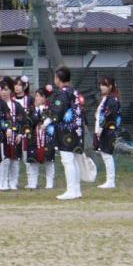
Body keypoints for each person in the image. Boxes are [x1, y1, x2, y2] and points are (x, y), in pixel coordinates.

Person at [49, 66, 85, 201]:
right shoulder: (75, 92)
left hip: (66, 131)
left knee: (68, 161)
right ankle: (76, 190)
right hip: (77, 129)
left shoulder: (62, 93)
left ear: (58, 79)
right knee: (74, 160)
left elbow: (57, 111)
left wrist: (47, 121)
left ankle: (71, 190)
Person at [94, 75, 122, 189]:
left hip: (108, 131)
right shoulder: (107, 98)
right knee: (105, 155)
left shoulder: (111, 100)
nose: (101, 87)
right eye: (101, 85)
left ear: (110, 86)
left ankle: (110, 181)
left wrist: (100, 129)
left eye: (104, 85)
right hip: (106, 130)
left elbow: (106, 115)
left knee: (107, 155)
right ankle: (110, 180)